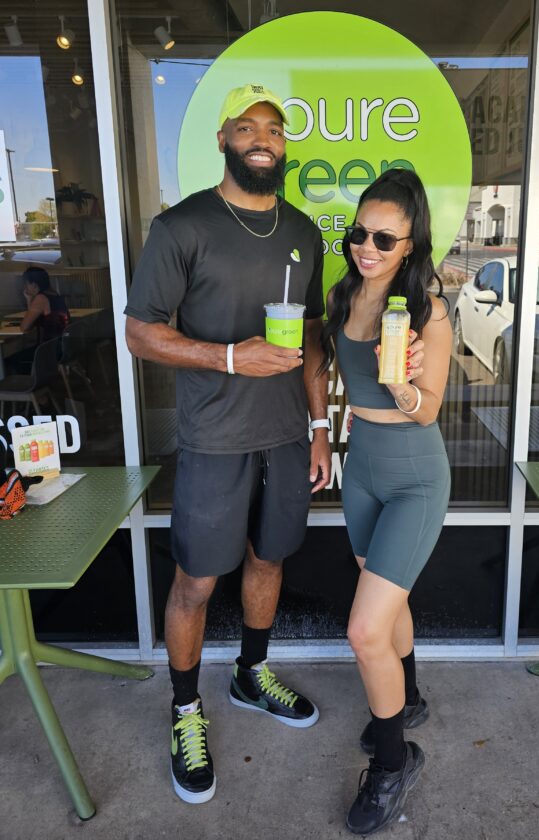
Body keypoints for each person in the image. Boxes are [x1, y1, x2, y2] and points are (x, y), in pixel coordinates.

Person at [124, 83, 331, 805]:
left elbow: (309, 340)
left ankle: (250, 674)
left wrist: (320, 425)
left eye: (273, 128)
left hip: (282, 438)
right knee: (196, 580)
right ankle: (184, 710)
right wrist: (230, 357)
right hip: (214, 437)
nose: (262, 138)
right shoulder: (181, 227)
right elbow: (140, 332)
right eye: (246, 126)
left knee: (268, 559)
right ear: (223, 139)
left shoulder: (305, 232)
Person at [322, 168, 452, 835]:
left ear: (409, 245)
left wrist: (402, 386)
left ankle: (394, 762)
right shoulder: (345, 294)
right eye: (358, 232)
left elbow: (428, 412)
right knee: (387, 598)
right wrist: (321, 431)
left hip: (415, 480)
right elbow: (321, 366)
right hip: (363, 471)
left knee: (364, 629)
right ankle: (412, 697)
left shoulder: (425, 310)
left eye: (384, 237)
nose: (366, 246)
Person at [19, 266, 70, 342]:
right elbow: (32, 323)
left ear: (34, 284)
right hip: (60, 344)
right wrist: (29, 300)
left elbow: (25, 328)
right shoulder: (54, 294)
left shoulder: (41, 298)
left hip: (50, 349)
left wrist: (30, 300)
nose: (25, 288)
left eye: (26, 284)